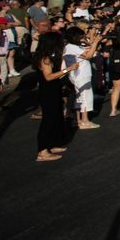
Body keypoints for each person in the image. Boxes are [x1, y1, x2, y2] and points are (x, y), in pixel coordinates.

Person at [32, 31, 81, 161]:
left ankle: (51, 144)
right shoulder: (44, 58)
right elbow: (48, 77)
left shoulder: (49, 56)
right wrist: (68, 69)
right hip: (47, 92)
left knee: (57, 117)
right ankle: (42, 151)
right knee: (48, 120)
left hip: (54, 90)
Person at [63, 25, 106, 129]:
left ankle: (79, 120)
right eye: (81, 36)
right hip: (80, 75)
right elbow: (88, 55)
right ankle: (85, 121)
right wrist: (95, 42)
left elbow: (88, 51)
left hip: (79, 75)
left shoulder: (72, 46)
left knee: (80, 98)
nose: (83, 38)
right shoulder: (72, 47)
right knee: (86, 98)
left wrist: (91, 43)